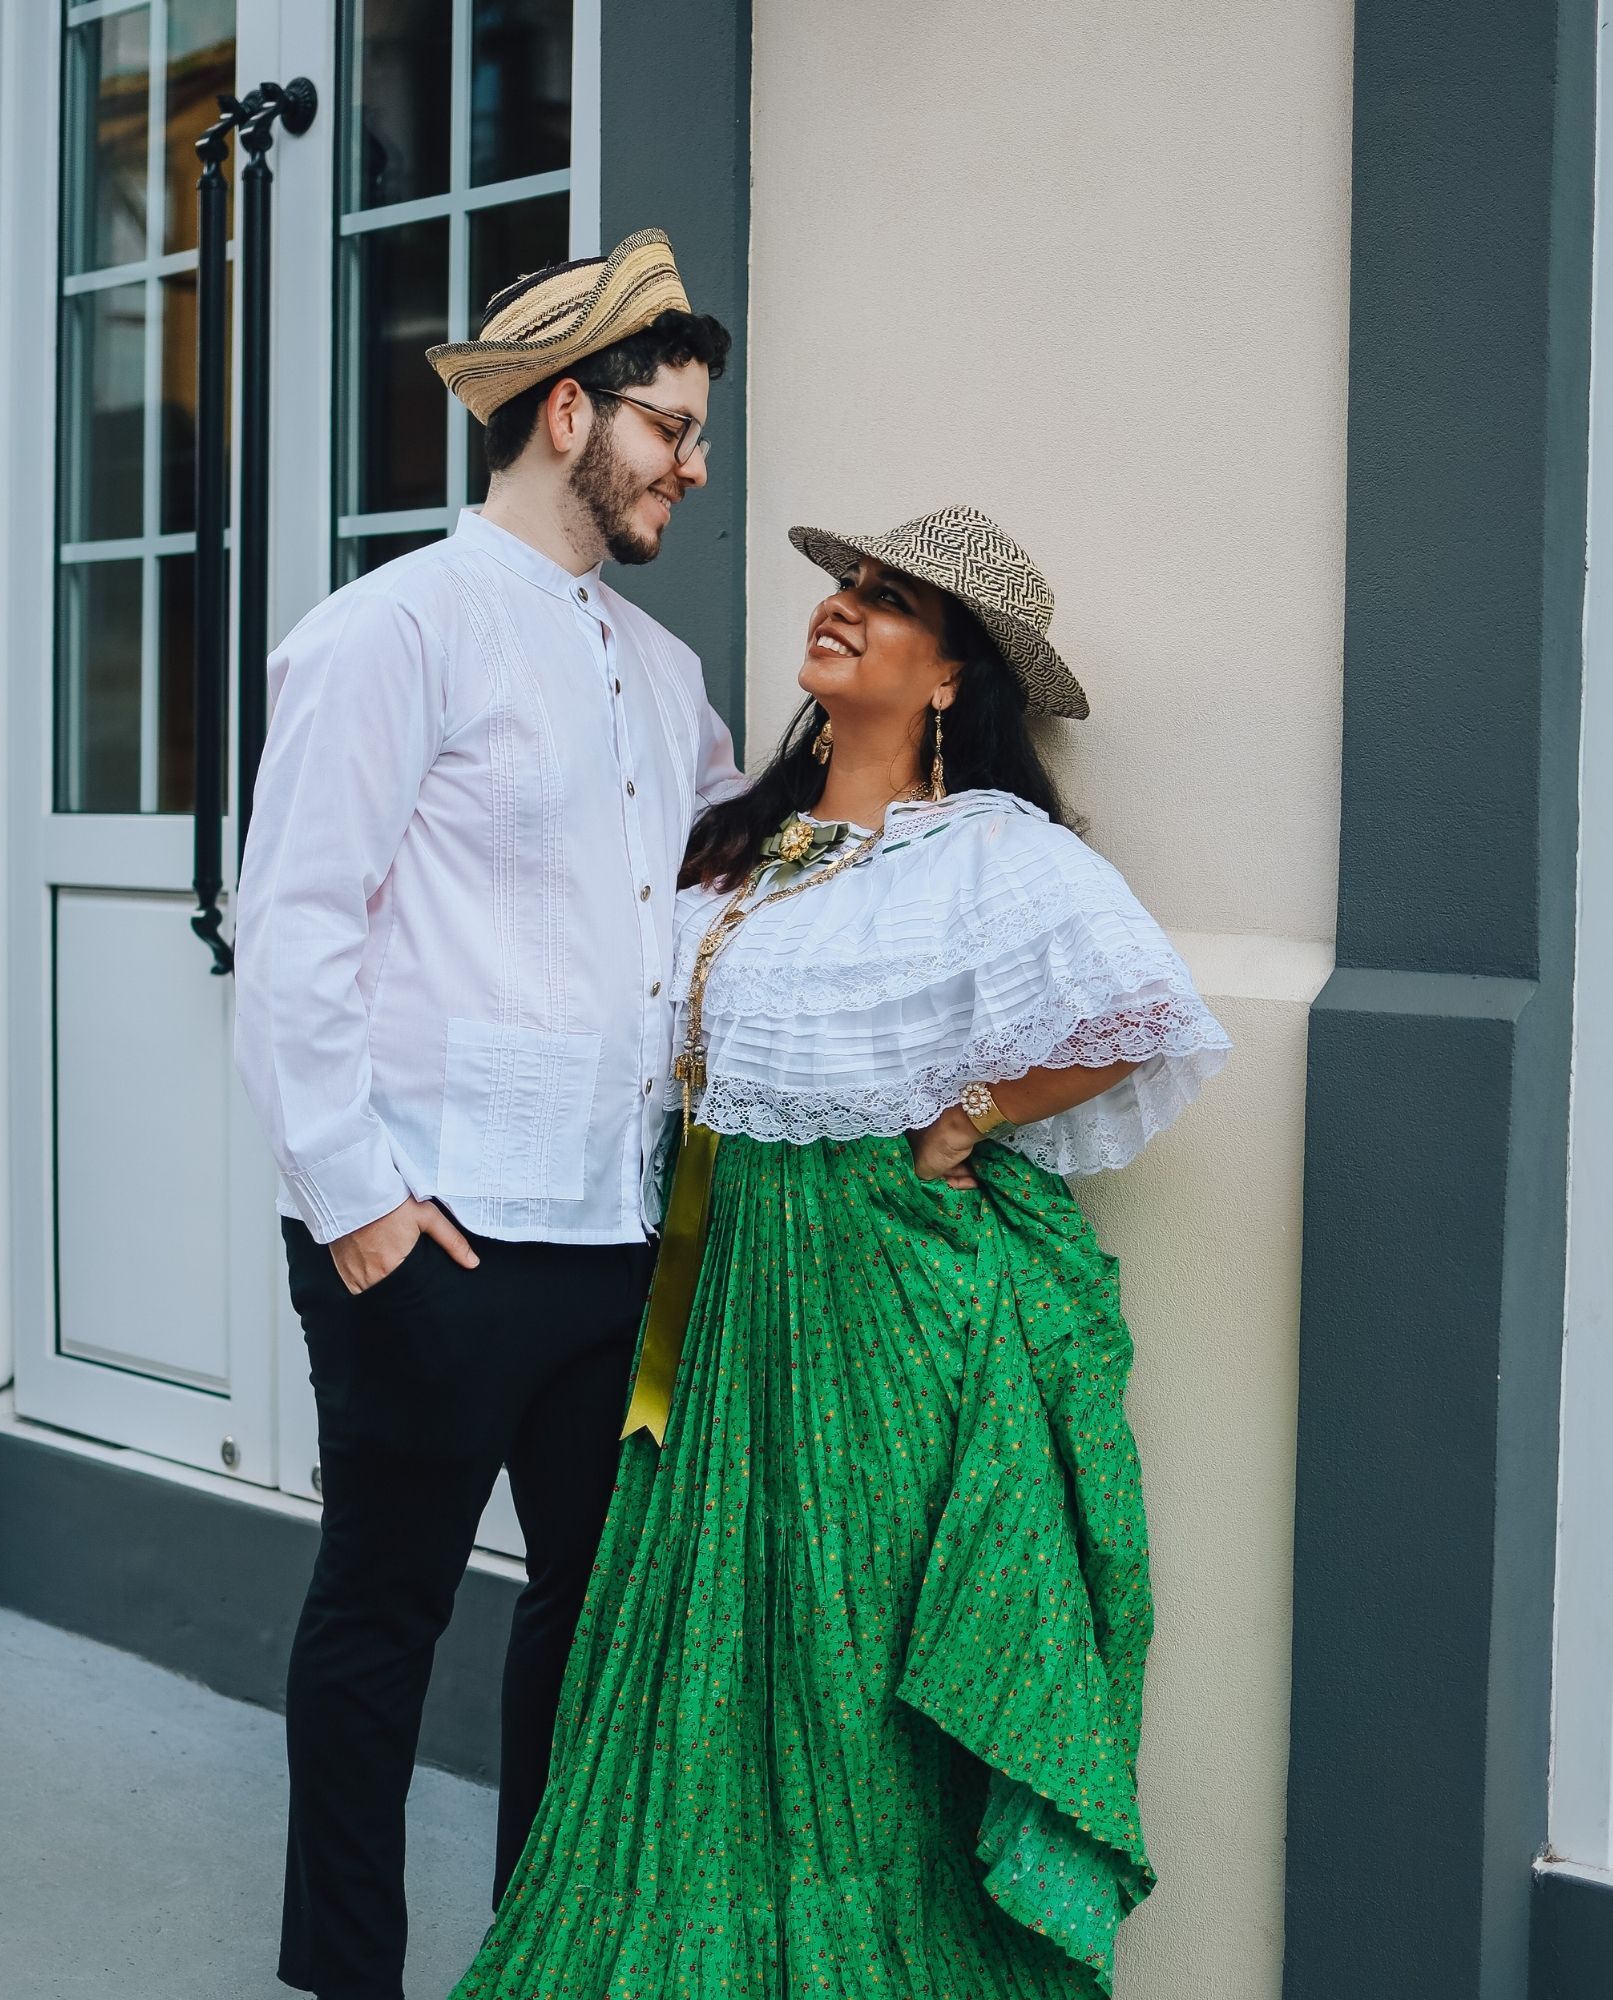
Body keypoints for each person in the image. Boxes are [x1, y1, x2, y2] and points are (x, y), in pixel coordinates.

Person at [450, 506, 1232, 1997]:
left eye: (887, 602)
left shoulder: (989, 852)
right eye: (845, 588)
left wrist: (972, 1115)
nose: (844, 611)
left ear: (951, 677)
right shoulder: (740, 838)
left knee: (841, 1664)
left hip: (876, 1303)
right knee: (700, 1657)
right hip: (711, 1289)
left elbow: (1147, 1015)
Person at [232, 228, 740, 2000]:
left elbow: (710, 909)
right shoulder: (389, 633)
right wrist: (357, 1202)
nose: (691, 463)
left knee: (589, 1635)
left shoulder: (668, 683)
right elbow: (292, 925)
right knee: (383, 1620)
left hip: (615, 1245)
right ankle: (346, 1980)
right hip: (430, 1235)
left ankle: (546, 1955)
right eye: (669, 426)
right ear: (566, 412)